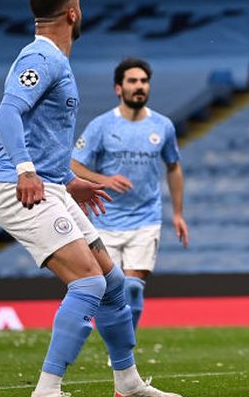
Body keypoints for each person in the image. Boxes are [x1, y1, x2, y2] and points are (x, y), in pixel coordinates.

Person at [0, 0, 183, 397]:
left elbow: (43, 132)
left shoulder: (54, 60)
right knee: (88, 282)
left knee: (112, 283)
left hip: (52, 186)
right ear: (72, 13)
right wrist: (26, 170)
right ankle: (45, 394)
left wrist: (67, 180)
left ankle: (128, 384)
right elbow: (7, 112)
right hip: (20, 188)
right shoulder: (41, 58)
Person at [71, 57, 188, 335]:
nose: (139, 86)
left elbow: (173, 167)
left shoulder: (162, 126)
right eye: (133, 81)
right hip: (105, 219)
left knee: (132, 286)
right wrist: (104, 180)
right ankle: (118, 346)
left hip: (145, 218)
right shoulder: (101, 126)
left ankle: (123, 348)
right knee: (111, 290)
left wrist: (178, 214)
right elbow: (74, 164)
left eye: (144, 81)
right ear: (118, 88)